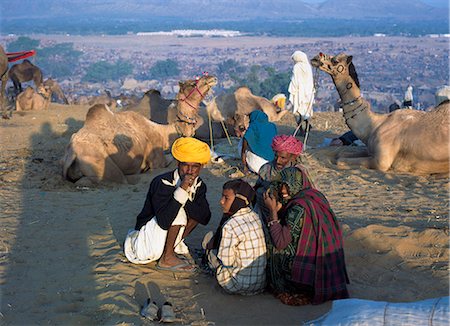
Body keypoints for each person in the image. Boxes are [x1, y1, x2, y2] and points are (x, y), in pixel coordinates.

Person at [263, 166, 350, 305]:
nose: (283, 190)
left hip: (307, 275)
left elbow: (280, 242)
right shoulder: (315, 195)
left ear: (297, 184)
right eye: (282, 185)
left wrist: (273, 211)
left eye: (288, 185)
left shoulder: (298, 208)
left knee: (270, 243)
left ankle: (286, 286)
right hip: (326, 263)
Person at [124, 137, 212, 273]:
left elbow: (205, 217)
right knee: (178, 210)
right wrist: (182, 190)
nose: (189, 171)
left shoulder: (199, 185)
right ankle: (167, 258)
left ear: (200, 168)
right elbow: (164, 221)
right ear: (178, 164)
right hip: (144, 243)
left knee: (195, 212)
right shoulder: (162, 182)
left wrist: (187, 193)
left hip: (163, 241)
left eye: (195, 166)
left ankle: (172, 249)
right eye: (185, 165)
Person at [202, 179, 267, 295]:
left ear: (238, 200)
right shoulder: (255, 216)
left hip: (235, 284)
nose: (221, 202)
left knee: (208, 240)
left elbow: (227, 261)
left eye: (226, 198)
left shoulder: (230, 226)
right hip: (259, 283)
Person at [254, 134, 306, 224]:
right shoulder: (266, 169)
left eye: (283, 158)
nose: (278, 161)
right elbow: (258, 187)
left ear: (293, 157)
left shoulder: (299, 172)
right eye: (276, 156)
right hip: (268, 208)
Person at [240, 110, 277, 174]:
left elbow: (243, 150)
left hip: (257, 166)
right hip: (271, 163)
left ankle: (249, 166)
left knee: (241, 143)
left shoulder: (252, 128)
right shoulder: (272, 126)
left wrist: (244, 167)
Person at [288, 51, 315, 134]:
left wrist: (293, 89)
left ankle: (301, 130)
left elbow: (294, 80)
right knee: (306, 110)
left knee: (298, 111)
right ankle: (307, 127)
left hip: (299, 92)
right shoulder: (308, 66)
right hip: (308, 92)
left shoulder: (297, 67)